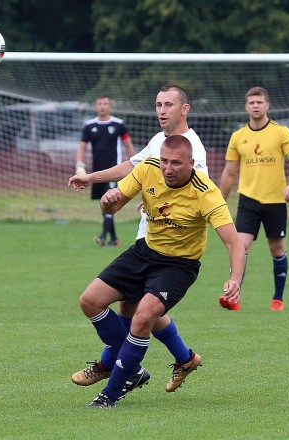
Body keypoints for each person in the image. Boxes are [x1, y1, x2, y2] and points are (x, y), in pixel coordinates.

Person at [76, 135, 246, 408]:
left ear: (191, 163)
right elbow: (113, 206)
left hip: (178, 265)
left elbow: (234, 243)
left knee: (143, 317)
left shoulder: (206, 192)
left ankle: (110, 394)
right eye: (164, 161)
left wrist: (235, 278)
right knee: (89, 301)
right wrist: (107, 201)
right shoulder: (148, 168)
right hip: (144, 252)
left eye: (176, 163)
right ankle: (130, 366)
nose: (167, 168)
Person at [69, 85, 208, 394]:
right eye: (158, 104)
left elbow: (194, 190)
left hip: (171, 244)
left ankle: (115, 365)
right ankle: (182, 358)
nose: (162, 110)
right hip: (147, 236)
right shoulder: (160, 140)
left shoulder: (193, 149)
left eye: (168, 104)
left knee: (138, 311)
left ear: (185, 109)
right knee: (136, 310)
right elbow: (133, 166)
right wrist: (92, 177)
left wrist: (157, 200)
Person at [219, 86, 289, 311]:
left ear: (267, 105)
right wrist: (218, 202)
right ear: (246, 106)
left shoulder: (281, 132)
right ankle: (233, 297)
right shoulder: (238, 136)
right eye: (252, 102)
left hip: (276, 200)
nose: (255, 106)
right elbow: (229, 173)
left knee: (276, 249)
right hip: (248, 200)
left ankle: (278, 298)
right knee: (240, 247)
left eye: (259, 102)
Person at [76, 95, 136, 246]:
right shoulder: (89, 126)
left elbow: (128, 145)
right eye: (100, 104)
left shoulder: (118, 124)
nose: (102, 106)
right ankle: (114, 239)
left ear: (110, 106)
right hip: (96, 173)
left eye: (105, 104)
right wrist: (79, 165)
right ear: (95, 107)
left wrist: (137, 166)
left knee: (110, 200)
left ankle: (102, 237)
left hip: (114, 171)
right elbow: (82, 146)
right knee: (104, 203)